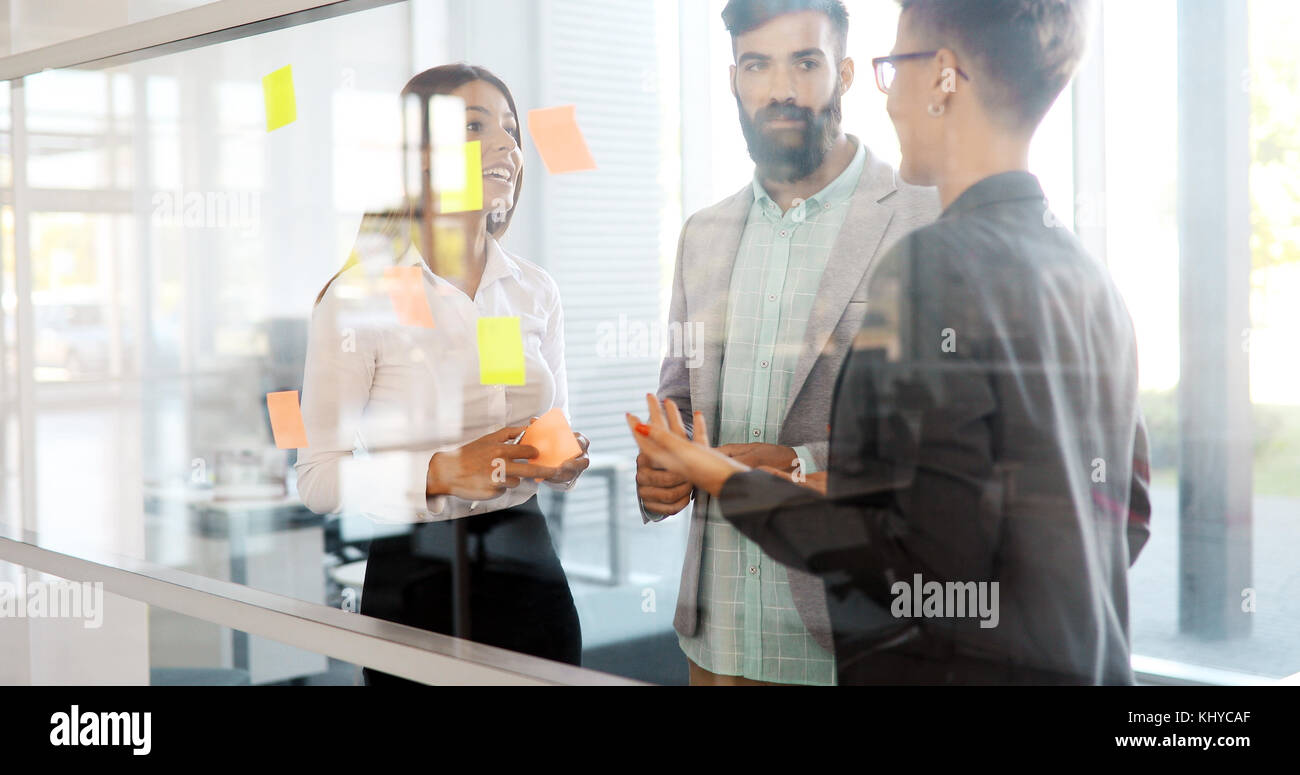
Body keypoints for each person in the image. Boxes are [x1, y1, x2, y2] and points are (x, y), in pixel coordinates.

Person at [627, 0, 1152, 685]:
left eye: (892, 67)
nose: (890, 95)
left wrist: (731, 478)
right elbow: (1123, 514)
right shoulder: (1086, 275)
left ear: (941, 78)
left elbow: (900, 547)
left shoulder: (931, 254)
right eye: (758, 63)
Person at [636, 0, 939, 686]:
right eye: (757, 65)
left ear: (846, 73)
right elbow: (678, 396)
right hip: (717, 639)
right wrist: (660, 466)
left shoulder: (924, 217)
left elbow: (944, 447)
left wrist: (800, 464)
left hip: (844, 642)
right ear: (733, 80)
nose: (781, 88)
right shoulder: (701, 236)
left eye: (805, 62)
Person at [295, 64, 589, 685]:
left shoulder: (533, 290)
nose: (507, 144)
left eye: (511, 129)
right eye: (475, 126)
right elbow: (318, 478)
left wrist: (559, 453)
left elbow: (550, 425)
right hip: (419, 580)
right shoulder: (360, 298)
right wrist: (441, 472)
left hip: (530, 567)